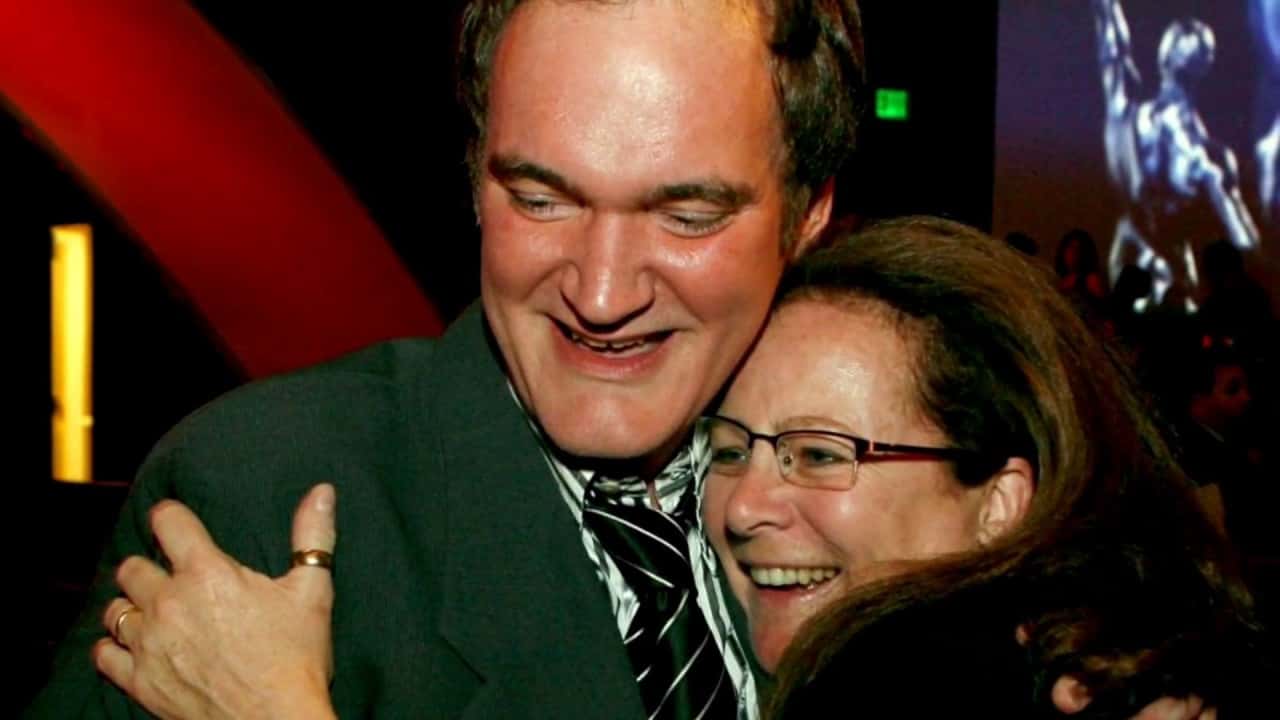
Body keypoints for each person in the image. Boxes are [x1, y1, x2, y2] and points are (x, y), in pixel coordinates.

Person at [23, 1, 862, 718]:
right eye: (540, 200)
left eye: (687, 217)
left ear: (808, 214)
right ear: (475, 184)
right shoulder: (261, 497)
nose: (602, 294)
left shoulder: (876, 490)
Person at [701, 216, 1272, 716]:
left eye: (820, 455)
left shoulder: (903, 682)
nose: (744, 507)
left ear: (998, 505)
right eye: (728, 451)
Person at [1092, 0, 1261, 312]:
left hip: (1174, 281)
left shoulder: (1208, 156)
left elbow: (1246, 248)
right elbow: (1111, 40)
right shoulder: (1129, 113)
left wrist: (1213, 185)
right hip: (1132, 259)